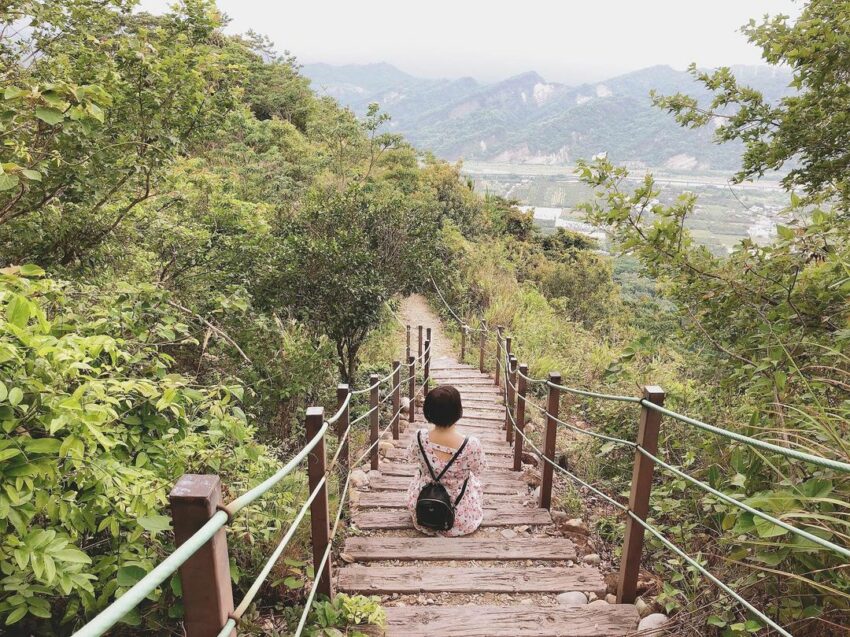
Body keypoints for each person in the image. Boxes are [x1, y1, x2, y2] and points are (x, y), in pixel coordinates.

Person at [406, 385, 486, 536]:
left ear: (427, 411)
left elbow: (411, 458)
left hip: (424, 506)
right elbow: (479, 470)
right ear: (458, 411)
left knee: (420, 474)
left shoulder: (419, 437)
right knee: (473, 479)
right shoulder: (471, 445)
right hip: (460, 515)